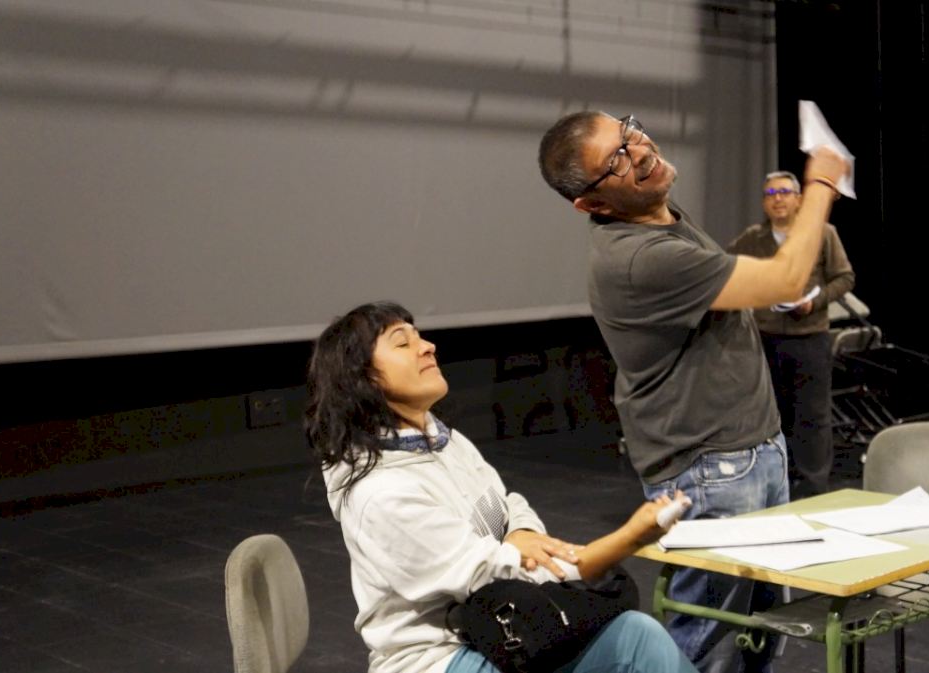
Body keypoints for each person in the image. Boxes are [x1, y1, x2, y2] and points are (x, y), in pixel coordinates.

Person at [538, 112, 849, 672]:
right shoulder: (640, 257)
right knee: (708, 643)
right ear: (592, 204)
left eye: (628, 132)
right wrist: (822, 181)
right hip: (711, 470)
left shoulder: (660, 216)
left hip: (748, 453)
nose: (638, 150)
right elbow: (784, 279)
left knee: (757, 635)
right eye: (616, 159)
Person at [305, 300, 698, 673]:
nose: (427, 347)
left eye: (418, 335)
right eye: (402, 343)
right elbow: (493, 573)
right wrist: (626, 540)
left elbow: (509, 506)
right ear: (364, 379)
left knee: (637, 635)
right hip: (440, 656)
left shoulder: (445, 441)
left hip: (502, 629)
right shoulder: (382, 494)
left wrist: (519, 532)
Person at [727, 171, 855, 497]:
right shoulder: (754, 238)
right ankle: (777, 482)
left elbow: (844, 278)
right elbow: (726, 267)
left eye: (784, 192)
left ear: (798, 199)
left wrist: (815, 301)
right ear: (764, 203)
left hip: (810, 337)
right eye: (770, 193)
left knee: (812, 415)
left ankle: (813, 487)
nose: (778, 198)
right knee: (771, 414)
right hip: (765, 338)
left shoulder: (822, 233)